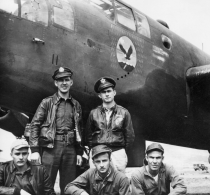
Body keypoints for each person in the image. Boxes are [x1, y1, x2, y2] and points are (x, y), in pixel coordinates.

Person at [29, 67, 83, 195]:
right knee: (45, 185)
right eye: (60, 80)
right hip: (51, 148)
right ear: (55, 83)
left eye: (67, 79)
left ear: (71, 82)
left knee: (69, 187)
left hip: (70, 149)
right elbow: (34, 125)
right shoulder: (46, 103)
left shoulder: (77, 105)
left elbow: (80, 129)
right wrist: (35, 150)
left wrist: (79, 152)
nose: (64, 83)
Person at [85, 77, 135, 173]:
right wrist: (94, 150)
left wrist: (122, 151)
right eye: (103, 92)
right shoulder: (93, 113)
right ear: (100, 95)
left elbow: (130, 136)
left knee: (118, 183)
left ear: (114, 93)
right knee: (97, 184)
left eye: (109, 91)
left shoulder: (124, 112)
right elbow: (88, 135)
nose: (107, 94)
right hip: (98, 153)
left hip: (117, 153)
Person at [64, 145, 130, 195]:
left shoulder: (121, 179)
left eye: (104, 161)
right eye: (98, 161)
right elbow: (68, 187)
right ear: (94, 163)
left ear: (110, 161)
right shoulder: (90, 173)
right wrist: (82, 193)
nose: (101, 165)